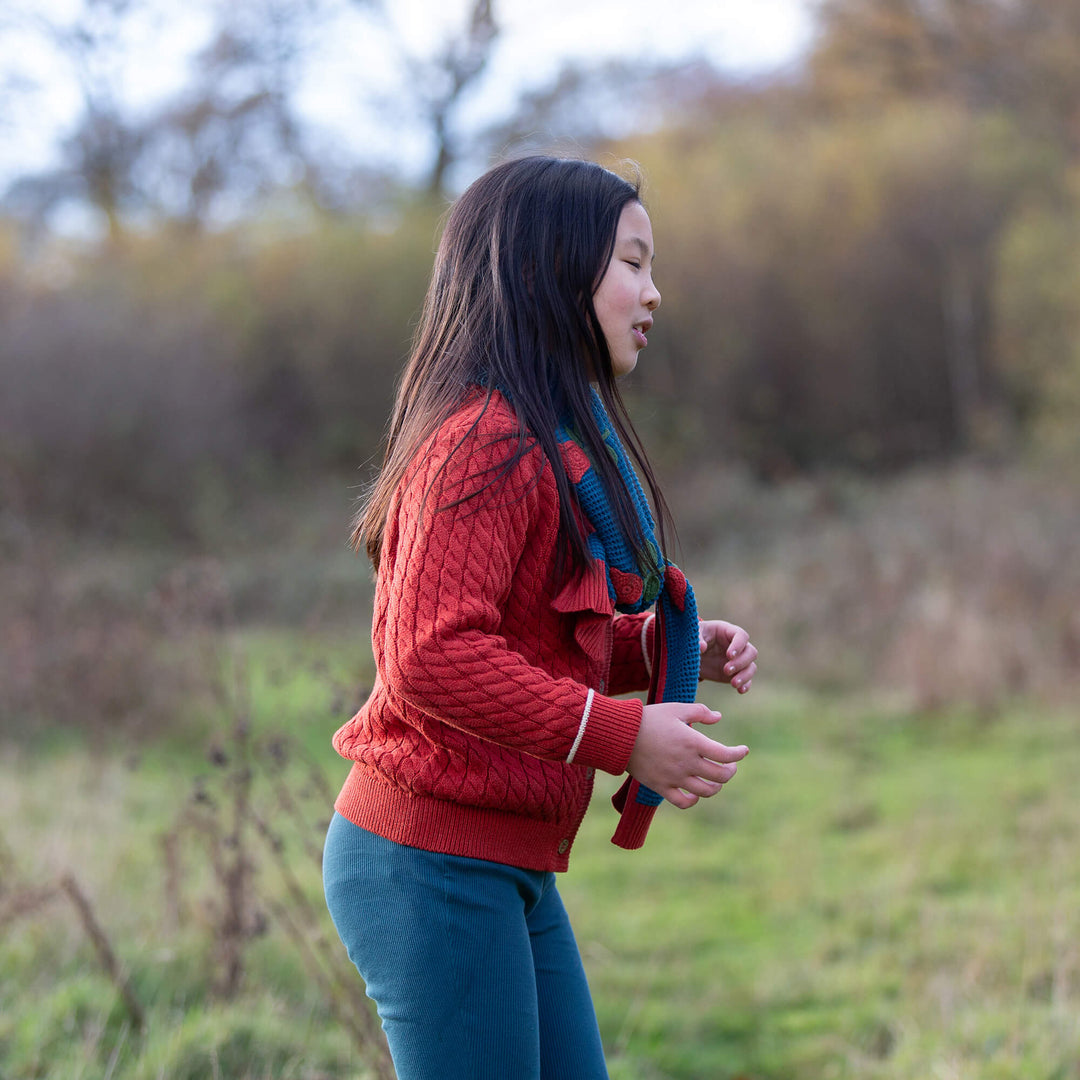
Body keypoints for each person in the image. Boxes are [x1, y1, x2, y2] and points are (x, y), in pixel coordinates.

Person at [322, 155, 758, 1080]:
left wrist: (658, 651)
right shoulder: (485, 442)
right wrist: (623, 733)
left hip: (497, 860)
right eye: (633, 263)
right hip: (428, 864)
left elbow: (532, 639)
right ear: (549, 273)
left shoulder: (542, 442)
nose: (655, 292)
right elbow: (431, 657)